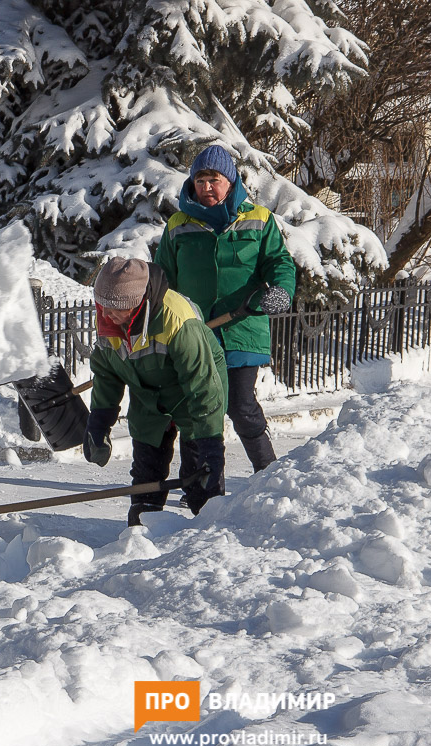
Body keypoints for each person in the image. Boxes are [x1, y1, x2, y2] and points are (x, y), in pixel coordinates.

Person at [155, 144, 297, 472]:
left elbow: (279, 263)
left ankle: (269, 474)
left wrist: (280, 292)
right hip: (195, 333)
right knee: (199, 409)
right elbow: (162, 277)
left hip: (242, 328)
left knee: (241, 405)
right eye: (200, 180)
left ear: (230, 182)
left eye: (214, 179)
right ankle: (202, 483)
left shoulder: (259, 220)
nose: (206, 187)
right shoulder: (179, 224)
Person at [83, 257, 228, 527]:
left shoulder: (178, 321)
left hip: (194, 394)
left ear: (135, 303)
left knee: (199, 475)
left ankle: (209, 533)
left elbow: (203, 386)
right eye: (102, 305)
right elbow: (106, 372)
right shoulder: (109, 320)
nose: (105, 314)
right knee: (146, 473)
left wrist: (212, 448)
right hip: (147, 395)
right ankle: (141, 531)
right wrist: (99, 423)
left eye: (113, 308)